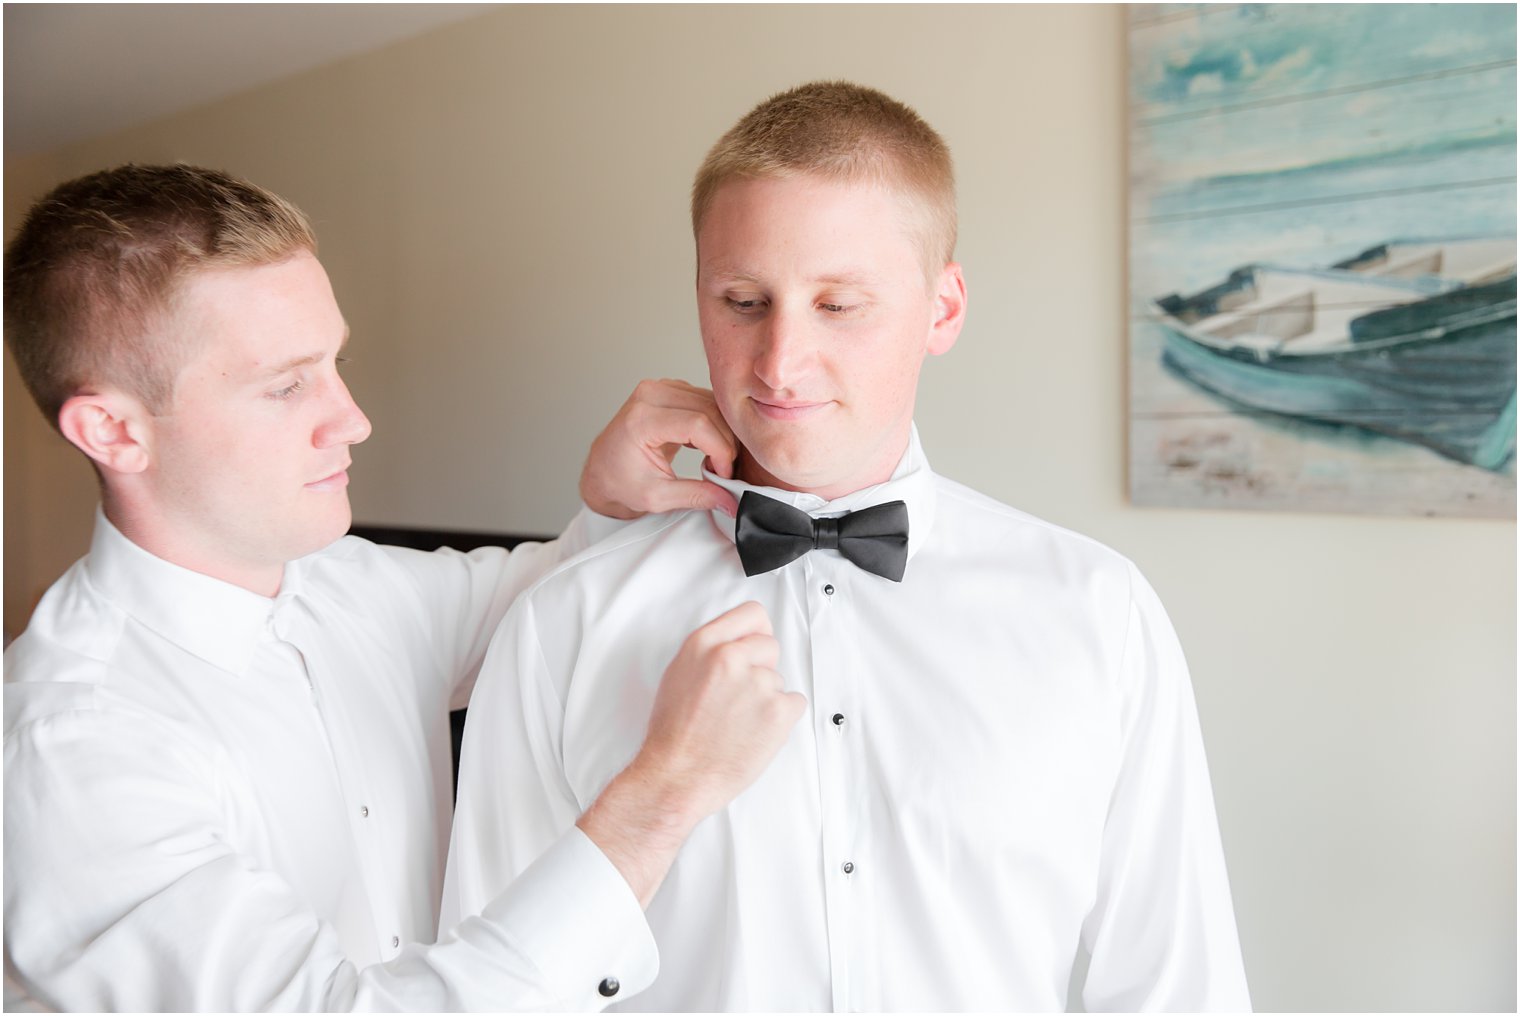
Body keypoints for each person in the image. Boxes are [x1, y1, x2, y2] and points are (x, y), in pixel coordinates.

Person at [445, 81, 1253, 1011]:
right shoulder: (565, 622)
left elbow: (1173, 984)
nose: (780, 363)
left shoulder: (1096, 611)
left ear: (942, 309)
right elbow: (487, 985)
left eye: (839, 305)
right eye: (744, 300)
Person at [2, 164, 804, 1011]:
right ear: (114, 431)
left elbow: (546, 605)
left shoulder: (348, 583)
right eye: (285, 385)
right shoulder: (68, 752)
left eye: (333, 363)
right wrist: (663, 794)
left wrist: (605, 503)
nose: (352, 420)